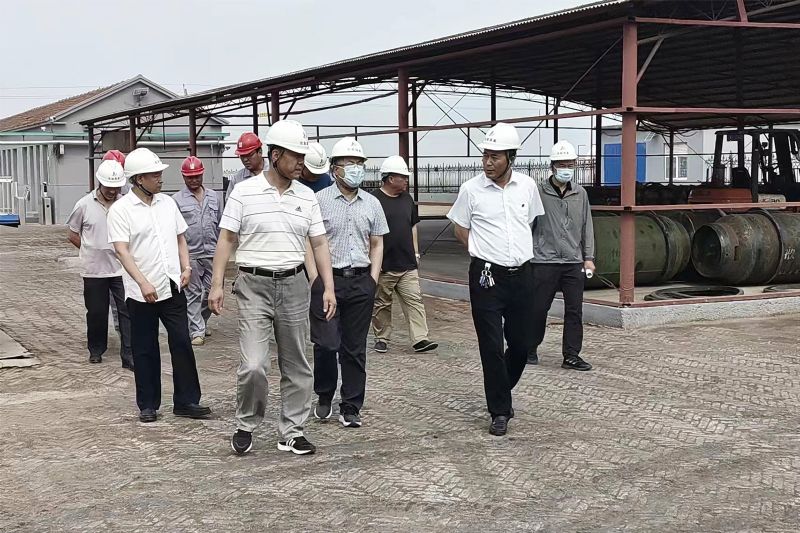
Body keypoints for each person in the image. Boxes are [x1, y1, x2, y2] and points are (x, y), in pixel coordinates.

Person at [210, 120, 336, 456]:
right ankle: (246, 423)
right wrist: (216, 284)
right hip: (253, 285)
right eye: (295, 156)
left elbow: (319, 243)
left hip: (295, 284)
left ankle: (292, 432)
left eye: (303, 157)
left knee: (297, 364)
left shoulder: (307, 196)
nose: (301, 163)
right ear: (276, 155)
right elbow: (227, 239)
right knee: (254, 364)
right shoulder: (244, 192)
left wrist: (327, 287)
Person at [447, 123, 544, 437]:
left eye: (495, 157)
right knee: (490, 345)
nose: (488, 162)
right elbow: (460, 227)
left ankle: (502, 389)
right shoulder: (470, 190)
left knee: (522, 343)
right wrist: (480, 250)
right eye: (485, 156)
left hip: (522, 275)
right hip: (486, 277)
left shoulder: (527, 186)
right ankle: (499, 410)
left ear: (510, 158)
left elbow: (529, 222)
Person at [108, 147, 211, 424]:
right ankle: (148, 404)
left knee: (182, 342)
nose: (160, 178)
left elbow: (180, 238)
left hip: (172, 285)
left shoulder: (167, 203)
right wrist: (142, 282)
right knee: (145, 348)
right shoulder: (121, 210)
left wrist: (186, 267)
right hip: (141, 292)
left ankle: (187, 401)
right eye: (154, 174)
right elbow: (122, 251)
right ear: (139, 178)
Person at [311, 137, 389, 429]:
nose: (356, 168)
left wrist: (373, 279)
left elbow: (377, 243)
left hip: (360, 282)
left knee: (355, 348)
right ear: (335, 168)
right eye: (349, 163)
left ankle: (351, 405)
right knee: (326, 343)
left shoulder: (372, 204)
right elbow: (310, 242)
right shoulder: (319, 202)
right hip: (328, 281)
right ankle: (324, 394)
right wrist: (315, 279)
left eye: (359, 163)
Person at [529, 141, 595, 371]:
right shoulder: (538, 192)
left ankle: (571, 355)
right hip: (543, 261)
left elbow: (587, 226)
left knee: (575, 311)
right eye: (562, 164)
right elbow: (528, 225)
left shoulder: (580, 193)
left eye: (570, 164)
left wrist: (589, 257)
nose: (566, 168)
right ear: (552, 166)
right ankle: (529, 349)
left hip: (573, 262)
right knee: (538, 309)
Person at [66, 160, 133, 369]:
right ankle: (96, 350)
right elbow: (72, 234)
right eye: (109, 187)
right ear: (100, 183)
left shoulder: (125, 204)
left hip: (121, 269)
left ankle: (129, 354)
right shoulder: (84, 205)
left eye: (117, 187)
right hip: (94, 270)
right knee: (96, 312)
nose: (113, 191)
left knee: (127, 311)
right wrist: (90, 249)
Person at [370, 155, 438, 354]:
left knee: (415, 300)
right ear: (391, 178)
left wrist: (416, 253)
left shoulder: (407, 199)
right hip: (384, 265)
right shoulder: (373, 200)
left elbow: (413, 226)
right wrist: (373, 262)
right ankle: (382, 338)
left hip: (407, 264)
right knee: (382, 303)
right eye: (403, 177)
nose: (407, 180)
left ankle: (420, 338)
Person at [172, 156, 222, 346]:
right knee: (192, 294)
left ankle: (200, 321)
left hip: (212, 253)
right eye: (189, 177)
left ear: (202, 174)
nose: (194, 180)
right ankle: (197, 331)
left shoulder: (214, 197)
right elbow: (176, 232)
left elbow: (221, 225)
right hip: (191, 254)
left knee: (211, 291)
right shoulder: (176, 200)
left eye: (197, 176)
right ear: (183, 177)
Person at [226, 132, 264, 199]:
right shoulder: (237, 179)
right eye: (242, 156)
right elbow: (229, 203)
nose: (245, 159)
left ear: (260, 152)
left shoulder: (274, 173)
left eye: (249, 155)